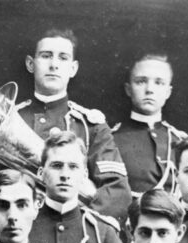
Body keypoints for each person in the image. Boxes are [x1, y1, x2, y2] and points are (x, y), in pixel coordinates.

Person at [13, 28, 131, 223]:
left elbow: (116, 190)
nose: (53, 65)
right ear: (30, 64)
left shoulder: (91, 126)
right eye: (46, 56)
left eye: (63, 58)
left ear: (73, 68)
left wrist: (79, 226)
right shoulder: (11, 118)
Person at [29, 132, 127, 243]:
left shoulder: (104, 233)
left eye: (73, 167)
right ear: (41, 173)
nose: (65, 174)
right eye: (56, 165)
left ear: (85, 175)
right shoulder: (24, 226)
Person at [111, 53, 186, 199]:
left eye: (159, 82)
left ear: (168, 92)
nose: (149, 89)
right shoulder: (110, 140)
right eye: (141, 81)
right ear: (128, 89)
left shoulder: (180, 141)